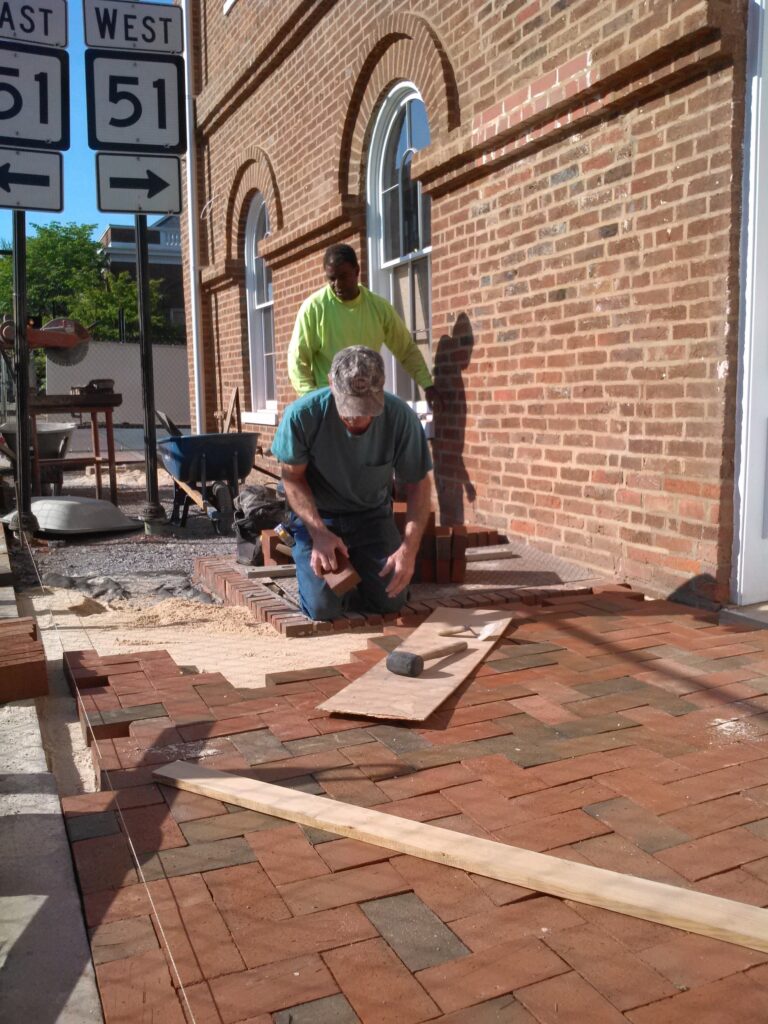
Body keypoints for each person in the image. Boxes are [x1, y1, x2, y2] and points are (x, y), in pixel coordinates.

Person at [272, 346, 432, 621]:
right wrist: (319, 533)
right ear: (331, 384)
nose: (357, 419)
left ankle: (359, 576)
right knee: (323, 609)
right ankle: (319, 577)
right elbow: (292, 478)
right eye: (349, 410)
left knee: (392, 599)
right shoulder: (302, 416)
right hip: (318, 517)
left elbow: (419, 484)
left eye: (366, 409)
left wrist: (409, 549)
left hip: (371, 516)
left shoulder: (400, 417)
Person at [287, 243, 441, 408]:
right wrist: (312, 399)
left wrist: (427, 385)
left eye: (343, 276)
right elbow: (297, 359)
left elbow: (406, 349)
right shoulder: (314, 308)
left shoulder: (379, 308)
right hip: (330, 403)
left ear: (357, 271)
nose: (337, 284)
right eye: (331, 278)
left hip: (367, 402)